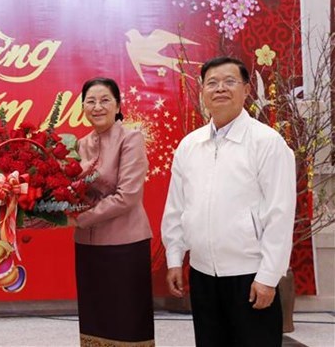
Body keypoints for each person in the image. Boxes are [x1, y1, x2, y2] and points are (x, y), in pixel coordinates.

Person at [161, 56, 296, 347]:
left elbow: (280, 215)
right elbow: (177, 208)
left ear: (246, 89)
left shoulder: (267, 143)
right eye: (212, 83)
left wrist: (269, 277)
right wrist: (175, 257)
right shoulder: (190, 145)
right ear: (202, 91)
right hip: (202, 275)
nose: (220, 88)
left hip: (249, 277)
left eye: (229, 81)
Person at [69, 77, 155, 346]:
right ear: (82, 106)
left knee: (125, 320)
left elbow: (126, 196)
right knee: (96, 319)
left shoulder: (131, 139)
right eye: (90, 101)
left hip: (125, 245)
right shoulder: (80, 144)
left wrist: (77, 217)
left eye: (105, 100)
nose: (97, 106)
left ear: (118, 105)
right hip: (88, 245)